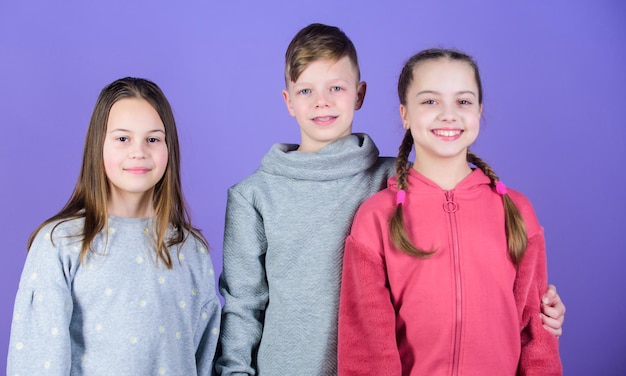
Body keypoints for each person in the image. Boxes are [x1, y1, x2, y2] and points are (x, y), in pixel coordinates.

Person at [216, 24, 564, 376]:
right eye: (306, 90)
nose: (322, 101)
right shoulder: (254, 196)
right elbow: (243, 306)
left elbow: (466, 250)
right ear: (288, 100)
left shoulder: (394, 185)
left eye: (336, 87)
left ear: (359, 94)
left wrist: (539, 311)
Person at [337, 48, 562, 375]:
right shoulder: (375, 216)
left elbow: (536, 336)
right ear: (405, 114)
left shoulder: (518, 210)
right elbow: (366, 346)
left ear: (479, 112)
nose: (448, 114)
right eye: (430, 101)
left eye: (463, 101)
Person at [7, 77, 221, 375]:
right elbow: (38, 360)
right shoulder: (61, 243)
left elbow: (205, 359)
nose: (139, 152)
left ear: (169, 147)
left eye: (153, 139)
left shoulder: (191, 250)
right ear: (99, 145)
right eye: (123, 138)